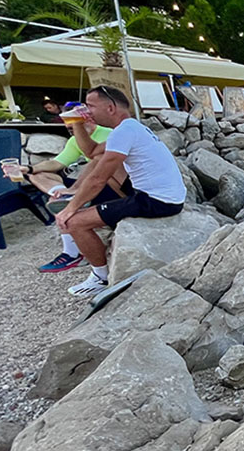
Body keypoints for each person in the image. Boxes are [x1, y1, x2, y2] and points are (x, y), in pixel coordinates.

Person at [56, 86, 186, 296]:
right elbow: (90, 151)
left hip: (157, 201)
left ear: (110, 108)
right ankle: (101, 219)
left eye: (90, 106)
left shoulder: (125, 132)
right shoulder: (131, 127)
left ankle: (100, 277)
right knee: (103, 161)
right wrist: (76, 122)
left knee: (74, 223)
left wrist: (70, 209)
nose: (87, 111)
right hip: (165, 195)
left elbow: (98, 179)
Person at [10, 105, 124, 272]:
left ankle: (72, 252)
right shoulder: (74, 140)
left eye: (71, 125)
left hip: (109, 184)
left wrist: (77, 189)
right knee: (38, 176)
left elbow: (99, 168)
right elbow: (57, 163)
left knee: (97, 160)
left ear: (86, 120)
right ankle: (64, 198)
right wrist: (28, 169)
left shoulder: (108, 134)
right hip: (91, 182)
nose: (68, 128)